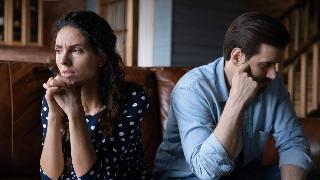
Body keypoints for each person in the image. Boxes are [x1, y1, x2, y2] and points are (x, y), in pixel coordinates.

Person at [154, 11, 313, 179]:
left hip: (241, 172)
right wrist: (237, 100)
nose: (273, 74)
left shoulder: (272, 84)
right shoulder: (192, 89)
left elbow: (292, 143)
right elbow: (206, 171)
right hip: (188, 176)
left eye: (275, 65)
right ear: (237, 56)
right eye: (266, 65)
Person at [39, 11, 151, 180]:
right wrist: (54, 114)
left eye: (76, 50)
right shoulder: (52, 99)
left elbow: (94, 178)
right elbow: (48, 177)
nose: (63, 60)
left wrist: (74, 111)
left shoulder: (133, 99)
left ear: (101, 57)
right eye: (58, 50)